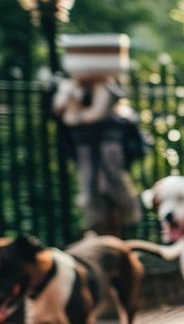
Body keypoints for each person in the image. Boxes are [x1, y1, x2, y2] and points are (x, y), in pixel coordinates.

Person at [52, 74, 141, 237]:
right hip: (89, 165)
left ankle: (118, 237)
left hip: (110, 166)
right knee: (94, 206)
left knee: (117, 203)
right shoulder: (73, 94)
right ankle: (101, 235)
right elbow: (59, 114)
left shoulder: (112, 99)